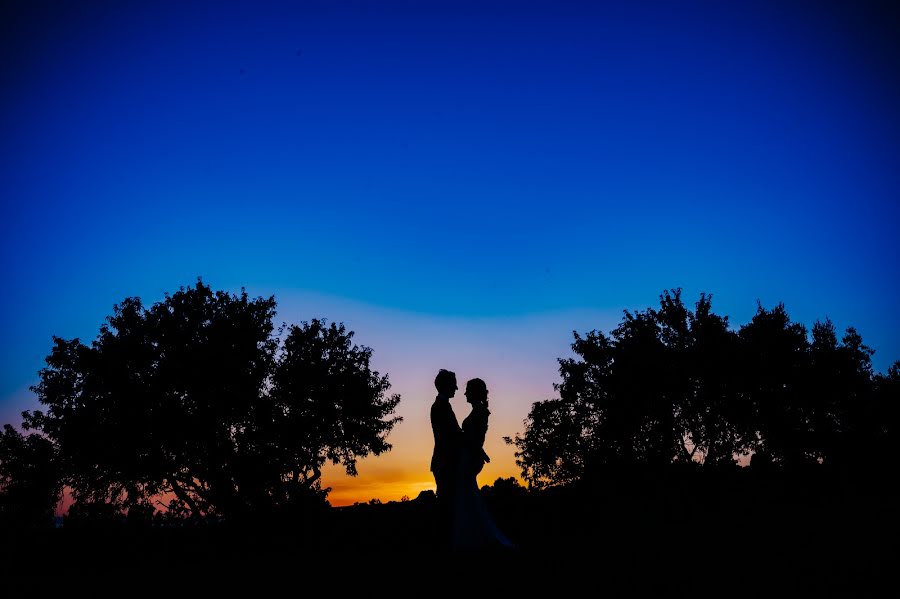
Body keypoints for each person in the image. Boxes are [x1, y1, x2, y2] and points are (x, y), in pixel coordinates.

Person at [452, 378, 515, 550]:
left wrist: (478, 452)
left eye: (467, 391)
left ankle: (474, 537)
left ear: (474, 393)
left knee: (468, 493)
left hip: (470, 457)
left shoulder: (480, 412)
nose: (464, 394)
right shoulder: (478, 411)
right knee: (468, 495)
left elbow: (477, 438)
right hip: (469, 455)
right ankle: (471, 534)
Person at [430, 368, 462, 547]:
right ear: (446, 385)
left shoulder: (442, 405)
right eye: (454, 384)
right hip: (445, 462)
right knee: (446, 505)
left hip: (444, 461)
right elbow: (453, 434)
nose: (457, 388)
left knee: (448, 504)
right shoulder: (441, 407)